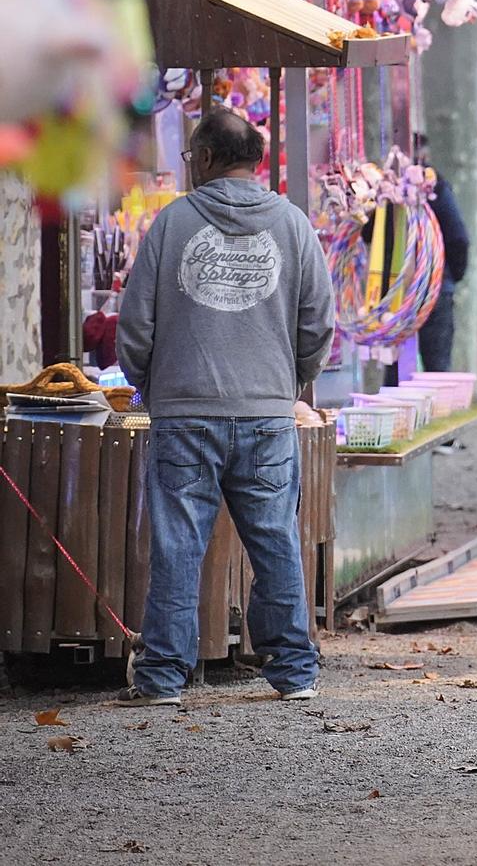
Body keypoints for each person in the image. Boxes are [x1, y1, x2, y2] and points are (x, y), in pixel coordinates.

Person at [114, 109, 333, 705]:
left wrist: (154, 390)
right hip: (266, 414)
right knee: (275, 542)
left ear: (206, 158)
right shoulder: (292, 224)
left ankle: (161, 677)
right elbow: (318, 322)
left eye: (190, 158)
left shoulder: (171, 224)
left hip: (183, 414)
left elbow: (134, 327)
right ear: (255, 159)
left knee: (177, 545)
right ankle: (295, 673)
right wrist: (286, 386)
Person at [416, 142, 471, 373]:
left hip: (411, 288)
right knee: (436, 363)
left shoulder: (433, 187)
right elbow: (459, 237)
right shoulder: (437, 187)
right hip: (435, 286)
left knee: (398, 367)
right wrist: (450, 276)